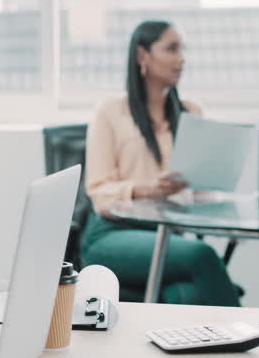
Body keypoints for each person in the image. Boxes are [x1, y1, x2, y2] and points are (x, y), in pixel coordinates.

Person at [80, 20, 240, 306]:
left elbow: (200, 188)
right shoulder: (110, 112)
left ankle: (215, 349)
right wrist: (150, 189)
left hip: (167, 236)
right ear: (143, 55)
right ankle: (246, 334)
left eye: (182, 49)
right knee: (202, 255)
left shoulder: (191, 113)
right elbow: (99, 194)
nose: (182, 59)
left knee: (184, 296)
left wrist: (233, 208)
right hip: (112, 235)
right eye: (171, 49)